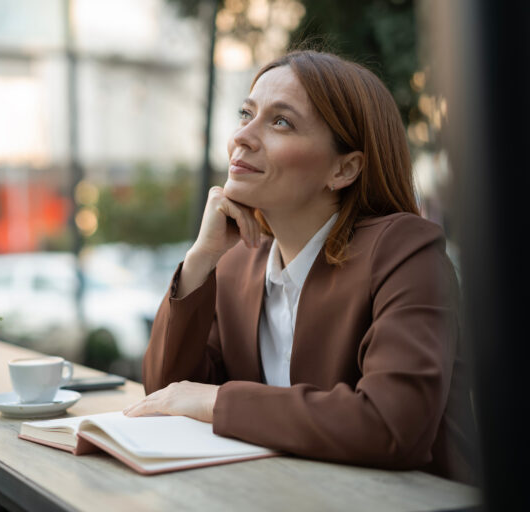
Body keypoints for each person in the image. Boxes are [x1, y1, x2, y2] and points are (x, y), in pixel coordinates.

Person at [123, 50, 476, 484]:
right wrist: (200, 259)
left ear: (344, 169)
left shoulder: (405, 252)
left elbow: (390, 424)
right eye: (245, 114)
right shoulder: (237, 262)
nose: (242, 138)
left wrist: (217, 402)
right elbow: (168, 394)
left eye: (281, 122)